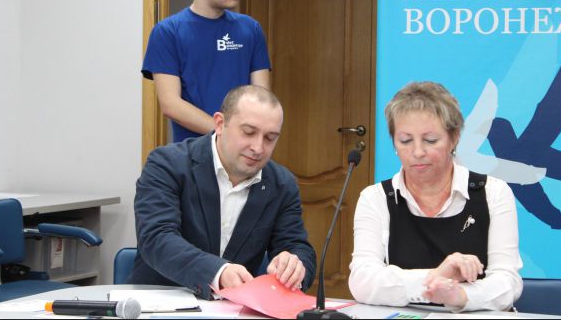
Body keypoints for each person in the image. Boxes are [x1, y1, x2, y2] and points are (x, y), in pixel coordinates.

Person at [129, 85, 316, 299]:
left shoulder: (282, 184)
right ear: (220, 124)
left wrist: (295, 265)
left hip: (233, 308)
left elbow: (297, 246)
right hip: (160, 302)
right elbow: (156, 238)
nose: (258, 147)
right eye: (249, 132)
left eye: (270, 138)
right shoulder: (167, 164)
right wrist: (218, 272)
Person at [349, 82, 522, 312]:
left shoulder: (493, 192)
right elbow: (362, 280)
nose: (418, 152)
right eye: (405, 140)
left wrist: (459, 295)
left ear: (454, 138)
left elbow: (507, 281)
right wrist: (435, 277)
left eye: (430, 140)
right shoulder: (375, 198)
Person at [142, 0, 271, 143]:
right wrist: (226, 134)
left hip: (244, 149)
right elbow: (170, 104)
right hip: (194, 150)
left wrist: (243, 138)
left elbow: (261, 97)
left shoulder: (250, 29)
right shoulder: (168, 32)